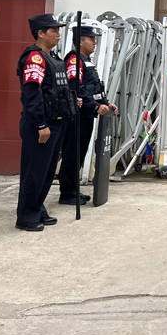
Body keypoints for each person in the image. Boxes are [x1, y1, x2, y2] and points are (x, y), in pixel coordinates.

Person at [15, 14, 76, 231]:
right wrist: (41, 125)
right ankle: (26, 217)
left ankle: (37, 209)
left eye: (58, 30)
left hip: (56, 123)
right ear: (40, 33)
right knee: (34, 172)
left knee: (47, 172)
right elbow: (32, 94)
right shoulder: (35, 58)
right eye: (53, 30)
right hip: (41, 125)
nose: (58, 34)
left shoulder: (52, 57)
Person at [59, 25, 118, 206]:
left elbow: (94, 88)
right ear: (80, 41)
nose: (94, 42)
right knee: (72, 153)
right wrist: (94, 107)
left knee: (80, 153)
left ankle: (73, 189)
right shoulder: (74, 61)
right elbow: (76, 89)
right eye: (90, 39)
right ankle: (67, 193)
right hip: (76, 115)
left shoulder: (86, 61)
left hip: (86, 115)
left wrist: (106, 103)